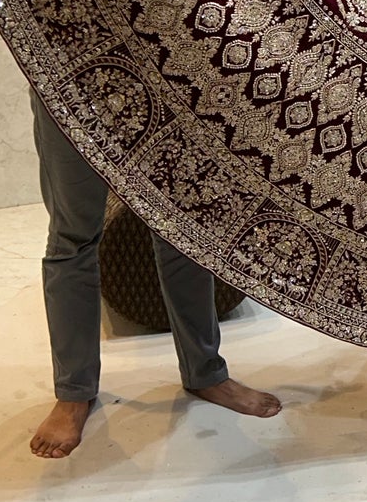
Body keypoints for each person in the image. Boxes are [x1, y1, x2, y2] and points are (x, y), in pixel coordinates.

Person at [28, 93, 281, 458]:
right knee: (72, 238)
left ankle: (205, 373)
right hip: (63, 75)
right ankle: (74, 393)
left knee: (183, 226)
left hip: (157, 64)